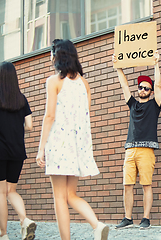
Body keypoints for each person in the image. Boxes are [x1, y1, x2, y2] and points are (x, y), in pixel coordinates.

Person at [36, 39, 109, 240]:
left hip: (59, 145)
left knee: (59, 197)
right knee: (71, 195)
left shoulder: (53, 81)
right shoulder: (84, 83)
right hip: (77, 146)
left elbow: (49, 116)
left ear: (56, 56)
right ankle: (97, 224)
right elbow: (85, 115)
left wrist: (41, 148)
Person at [0, 61, 36, 240]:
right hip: (17, 151)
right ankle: (25, 220)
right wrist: (14, 126)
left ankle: (3, 234)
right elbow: (29, 126)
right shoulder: (21, 99)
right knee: (11, 191)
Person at [112, 51, 161, 230]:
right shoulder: (133, 104)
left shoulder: (155, 104)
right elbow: (124, 85)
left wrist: (156, 64)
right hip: (130, 150)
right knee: (127, 185)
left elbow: (159, 87)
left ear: (150, 91)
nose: (143, 90)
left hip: (147, 150)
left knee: (146, 185)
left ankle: (146, 219)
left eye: (146, 88)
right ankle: (127, 218)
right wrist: (118, 67)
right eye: (140, 87)